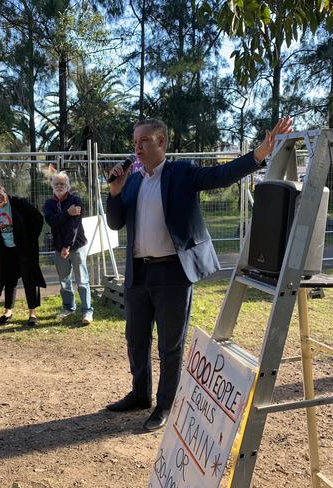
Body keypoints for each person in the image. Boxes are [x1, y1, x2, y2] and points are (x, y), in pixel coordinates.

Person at [105, 116, 293, 431]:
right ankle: (140, 395)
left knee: (170, 344)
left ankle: (166, 404)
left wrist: (258, 155)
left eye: (144, 141)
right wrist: (114, 192)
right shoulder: (133, 181)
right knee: (135, 338)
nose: (137, 148)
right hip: (139, 274)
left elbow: (220, 175)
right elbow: (115, 223)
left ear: (161, 142)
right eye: (135, 142)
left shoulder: (181, 172)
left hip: (172, 274)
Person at [0, 184, 46, 327]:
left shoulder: (19, 203)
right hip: (6, 250)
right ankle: (8, 311)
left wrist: (29, 239)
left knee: (29, 279)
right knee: (9, 279)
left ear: (4, 197)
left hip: (24, 249)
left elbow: (38, 219)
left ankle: (32, 312)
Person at [43, 172, 93, 325]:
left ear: (68, 186)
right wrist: (66, 213)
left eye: (62, 184)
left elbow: (74, 226)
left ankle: (87, 311)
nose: (59, 186)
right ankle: (68, 307)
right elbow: (52, 221)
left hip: (76, 246)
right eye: (57, 184)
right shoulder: (49, 204)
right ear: (53, 187)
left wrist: (67, 246)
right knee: (64, 281)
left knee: (82, 280)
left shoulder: (75, 200)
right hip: (59, 248)